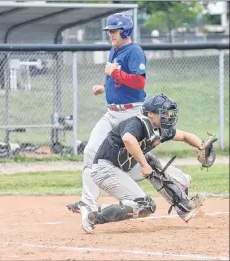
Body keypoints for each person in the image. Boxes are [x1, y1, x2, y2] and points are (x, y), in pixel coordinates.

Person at [81, 94, 216, 234]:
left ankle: (185, 207)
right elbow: (128, 139)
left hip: (121, 168)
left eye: (169, 113)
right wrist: (144, 165)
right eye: (163, 113)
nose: (168, 117)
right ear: (150, 114)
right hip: (104, 169)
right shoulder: (137, 123)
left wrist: (201, 146)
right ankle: (93, 215)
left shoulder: (159, 129)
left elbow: (184, 136)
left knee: (151, 161)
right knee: (145, 204)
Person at [66, 13, 148, 227]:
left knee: (137, 162)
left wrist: (116, 75)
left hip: (131, 113)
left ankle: (177, 188)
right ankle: (88, 202)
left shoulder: (134, 52)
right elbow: (115, 78)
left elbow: (139, 83)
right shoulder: (114, 50)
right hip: (111, 112)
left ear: (126, 31)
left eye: (114, 30)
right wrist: (104, 86)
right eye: (109, 31)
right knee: (90, 151)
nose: (111, 34)